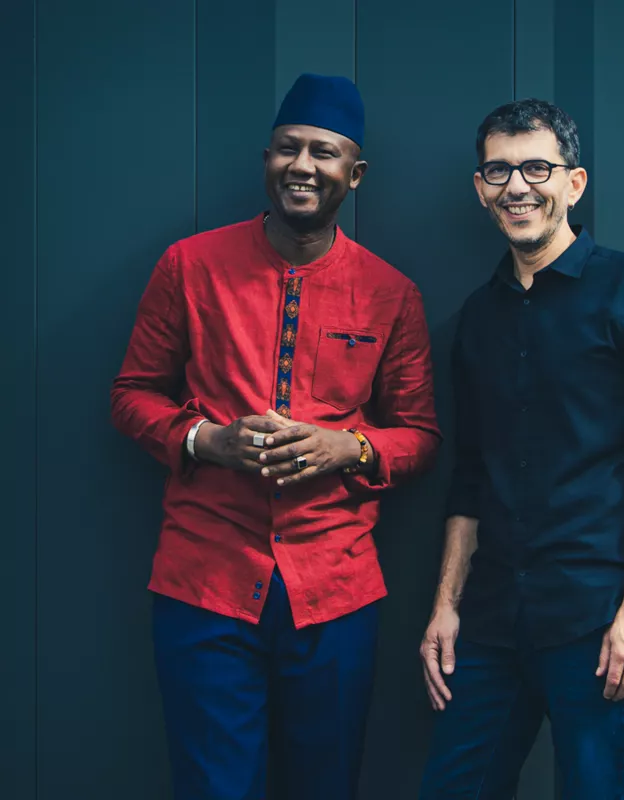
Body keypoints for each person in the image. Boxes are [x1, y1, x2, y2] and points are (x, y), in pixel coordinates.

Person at [111, 73, 441, 800]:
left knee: (325, 785)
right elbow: (131, 394)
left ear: (355, 174)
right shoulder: (190, 265)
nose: (303, 166)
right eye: (288, 148)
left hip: (335, 591)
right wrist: (206, 440)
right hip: (205, 580)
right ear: (266, 160)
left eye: (324, 152)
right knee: (214, 787)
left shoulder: (391, 293)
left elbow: (419, 435)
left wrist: (348, 448)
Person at [418, 98, 624, 799]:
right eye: (499, 171)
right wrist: (446, 604)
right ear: (480, 188)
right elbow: (471, 473)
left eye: (537, 168)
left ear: (573, 183)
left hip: (595, 618)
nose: (517, 186)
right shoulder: (477, 317)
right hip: (489, 618)